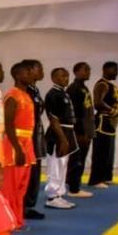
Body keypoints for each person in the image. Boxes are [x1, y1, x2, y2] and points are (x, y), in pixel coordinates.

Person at [1, 61, 37, 230]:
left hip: (26, 142)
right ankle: (7, 221)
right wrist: (17, 148)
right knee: (11, 186)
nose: (31, 76)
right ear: (17, 75)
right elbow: (8, 124)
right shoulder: (12, 95)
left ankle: (17, 219)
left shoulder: (26, 95)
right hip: (15, 144)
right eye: (27, 73)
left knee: (21, 186)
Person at [43, 68, 77, 210]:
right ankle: (52, 196)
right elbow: (53, 119)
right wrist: (62, 139)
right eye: (62, 76)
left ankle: (59, 195)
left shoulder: (63, 93)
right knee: (55, 166)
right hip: (58, 133)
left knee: (63, 165)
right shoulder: (53, 94)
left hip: (67, 131)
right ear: (53, 78)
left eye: (67, 75)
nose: (66, 78)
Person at [88, 61, 118, 188]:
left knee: (109, 151)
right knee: (101, 151)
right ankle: (96, 180)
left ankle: (106, 177)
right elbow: (98, 102)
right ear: (106, 70)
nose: (117, 73)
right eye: (114, 70)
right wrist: (112, 110)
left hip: (110, 122)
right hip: (102, 121)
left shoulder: (110, 85)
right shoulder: (102, 84)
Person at [22, 60, 47, 221]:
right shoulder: (26, 91)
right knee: (29, 173)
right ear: (30, 71)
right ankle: (25, 206)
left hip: (36, 133)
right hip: (28, 136)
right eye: (39, 69)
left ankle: (30, 204)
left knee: (35, 172)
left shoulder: (34, 90)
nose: (42, 72)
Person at [66, 62, 95, 198]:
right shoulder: (74, 89)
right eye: (85, 70)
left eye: (89, 70)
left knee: (80, 158)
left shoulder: (83, 88)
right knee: (76, 159)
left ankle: (72, 183)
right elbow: (74, 113)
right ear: (76, 72)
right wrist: (79, 132)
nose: (88, 72)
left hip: (86, 130)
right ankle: (74, 188)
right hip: (79, 131)